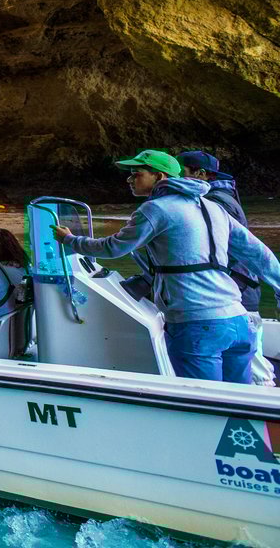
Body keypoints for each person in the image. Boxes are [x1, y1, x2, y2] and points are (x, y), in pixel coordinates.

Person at [53, 149, 280, 384]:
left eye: (136, 173)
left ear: (160, 176)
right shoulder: (213, 208)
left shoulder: (155, 209)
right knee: (238, 400)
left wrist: (70, 240)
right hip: (238, 320)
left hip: (196, 322)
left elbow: (113, 248)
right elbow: (260, 255)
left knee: (202, 400)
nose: (129, 179)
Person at [179, 150, 272, 385]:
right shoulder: (223, 197)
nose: (176, 177)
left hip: (236, 293)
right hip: (242, 291)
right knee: (250, 364)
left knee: (256, 372)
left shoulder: (214, 203)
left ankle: (265, 404)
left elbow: (216, 251)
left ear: (201, 174)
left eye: (181, 171)